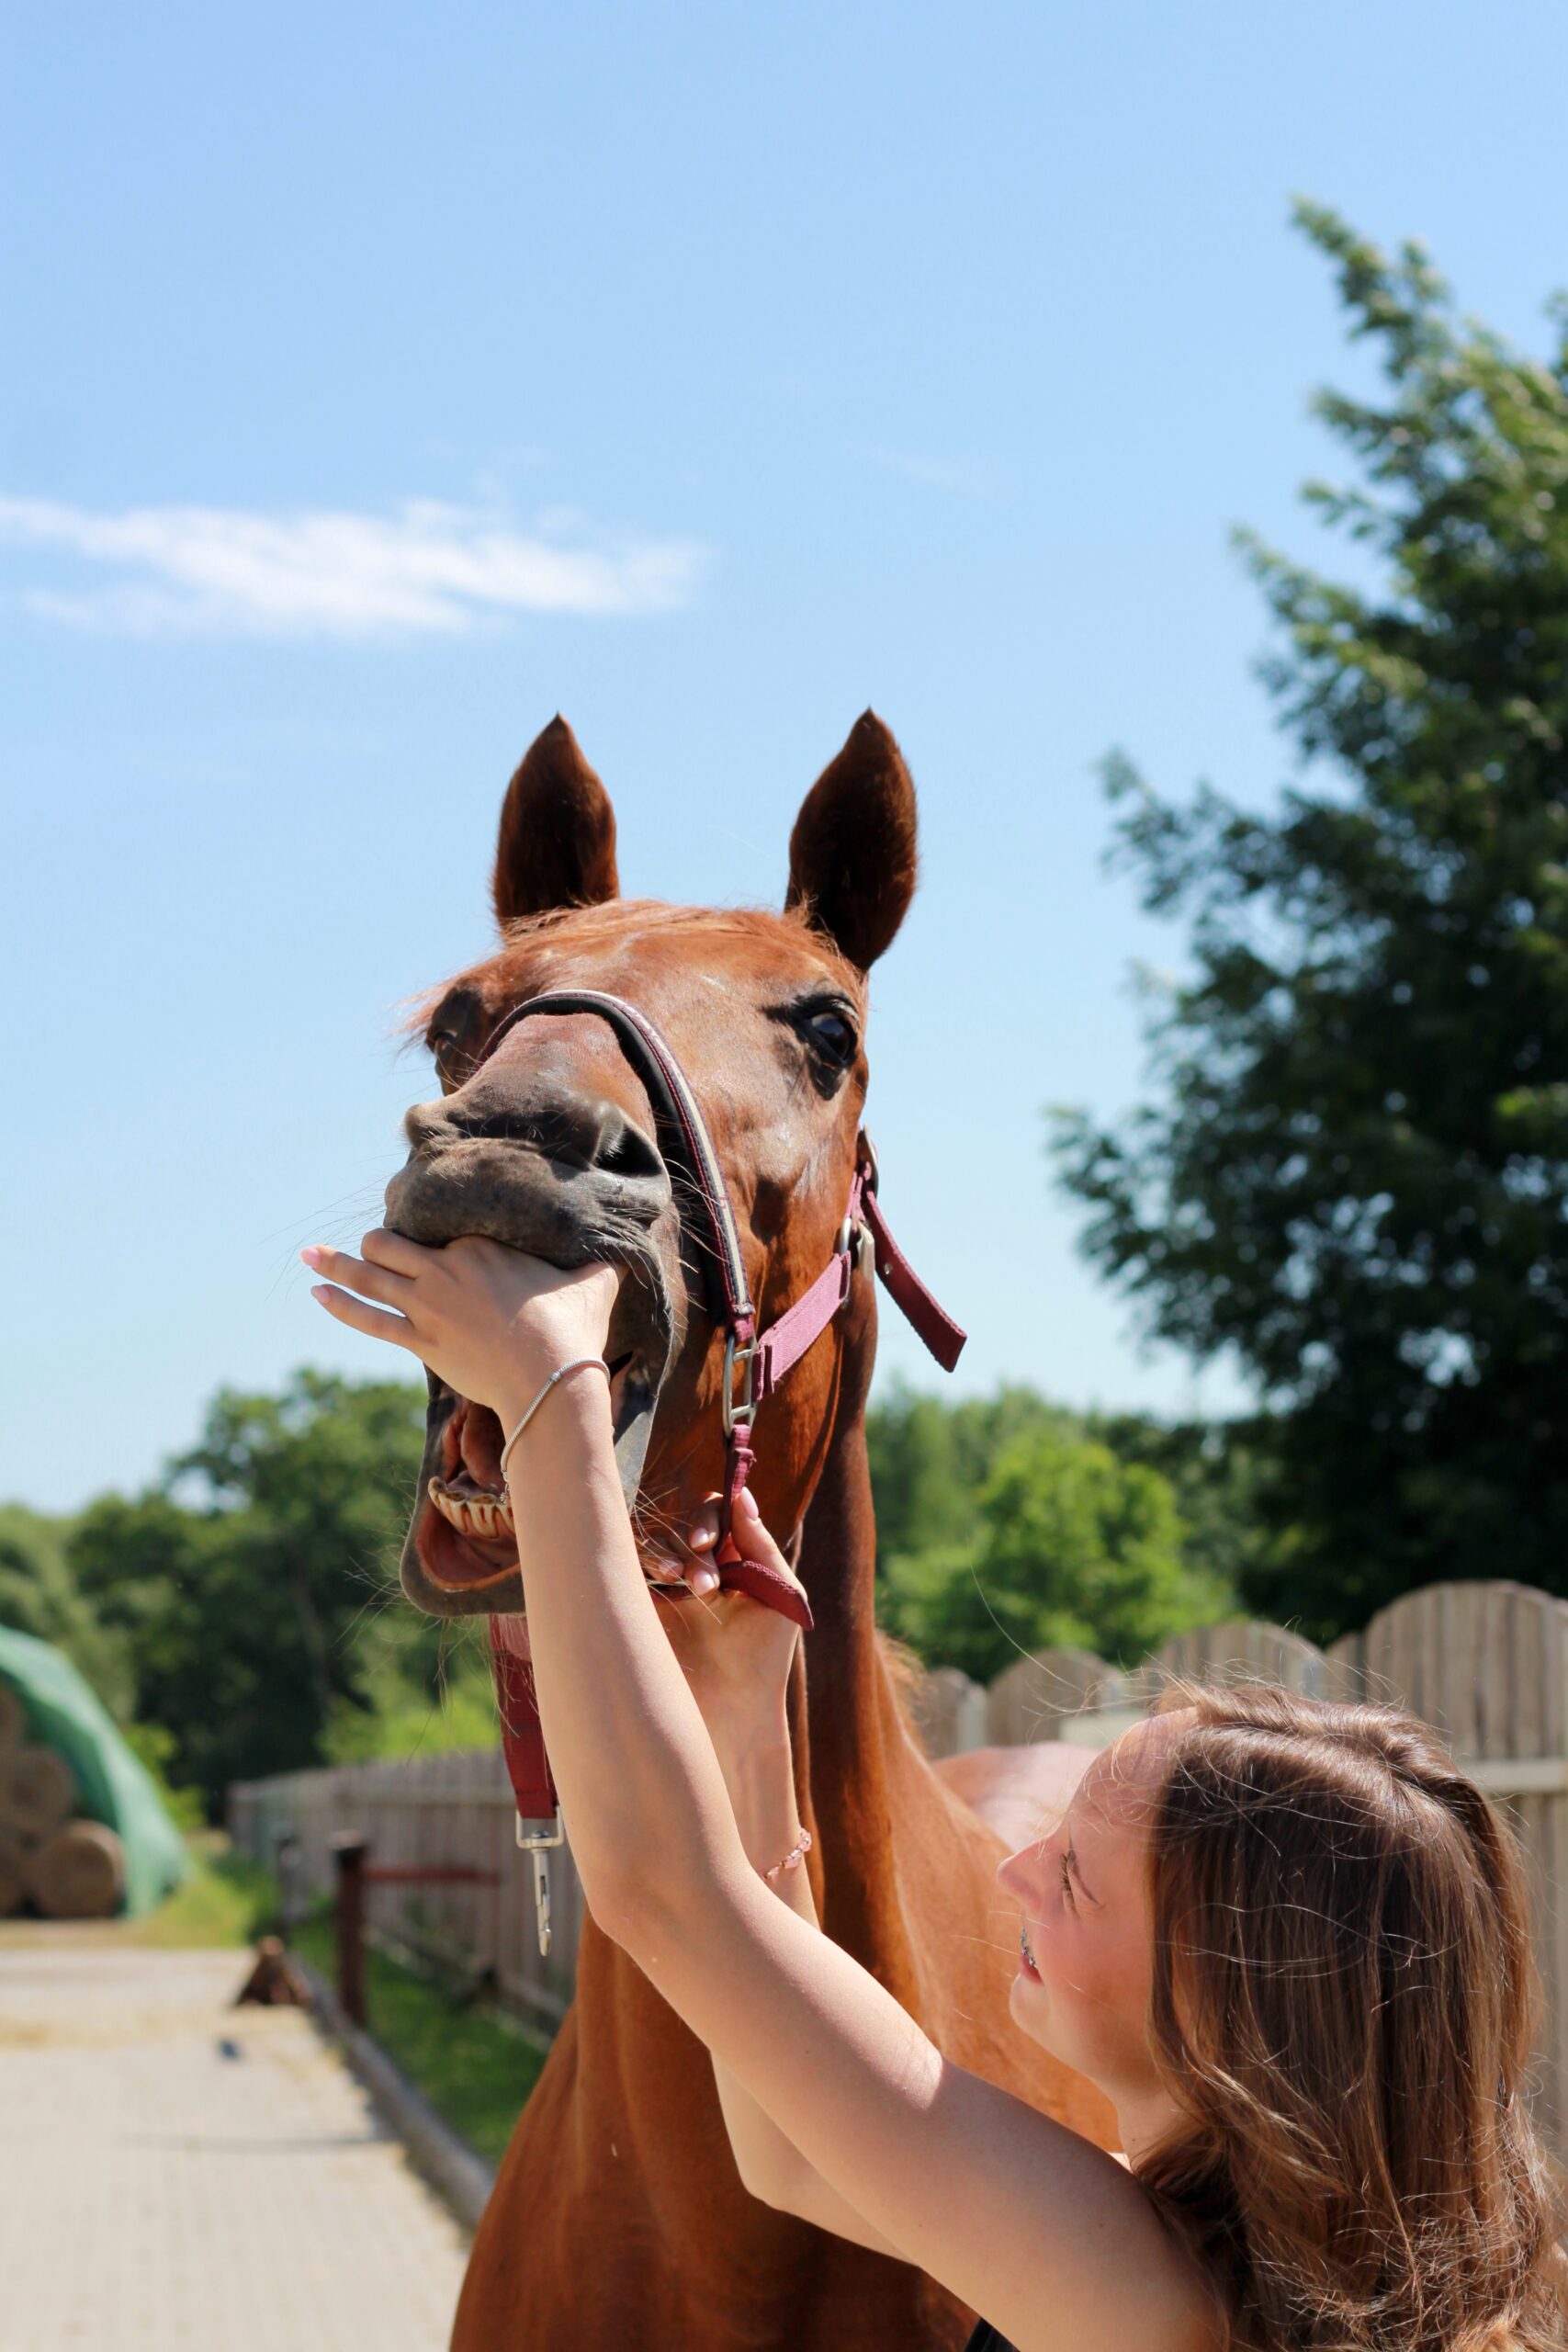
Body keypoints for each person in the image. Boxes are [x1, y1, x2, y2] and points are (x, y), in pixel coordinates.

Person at [305, 1230, 1565, 2352]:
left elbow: (659, 1894)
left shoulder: (1151, 2298)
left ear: (1220, 2001)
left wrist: (552, 1402)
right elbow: (793, 2155)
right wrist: (751, 1731)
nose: (1014, 1868)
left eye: (1072, 1877)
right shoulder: (1210, 2258)